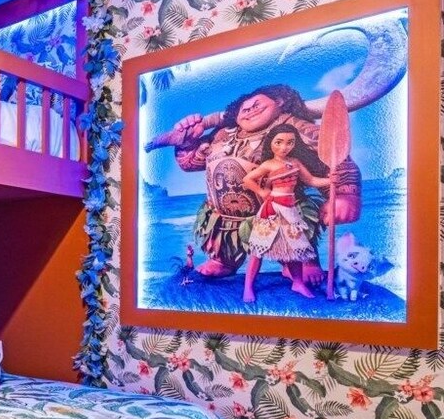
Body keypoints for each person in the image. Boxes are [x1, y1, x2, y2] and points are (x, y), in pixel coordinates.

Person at [153, 84, 361, 282]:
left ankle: (302, 262)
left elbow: (333, 160)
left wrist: (345, 195)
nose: (250, 110)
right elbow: (190, 164)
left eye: (257, 104)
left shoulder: (294, 127)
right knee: (221, 237)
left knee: (291, 233)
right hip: (224, 217)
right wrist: (188, 142)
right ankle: (223, 259)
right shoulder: (223, 134)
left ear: (280, 102)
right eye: (244, 108)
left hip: (278, 208)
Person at [241, 124, 336, 302]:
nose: (284, 147)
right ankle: (248, 287)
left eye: (289, 142)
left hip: (290, 210)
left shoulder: (295, 162)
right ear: (270, 143)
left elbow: (311, 180)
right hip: (271, 210)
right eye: (279, 142)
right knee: (257, 249)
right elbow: (247, 179)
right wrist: (262, 192)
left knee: (294, 248)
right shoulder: (268, 164)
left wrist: (330, 180)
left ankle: (297, 283)